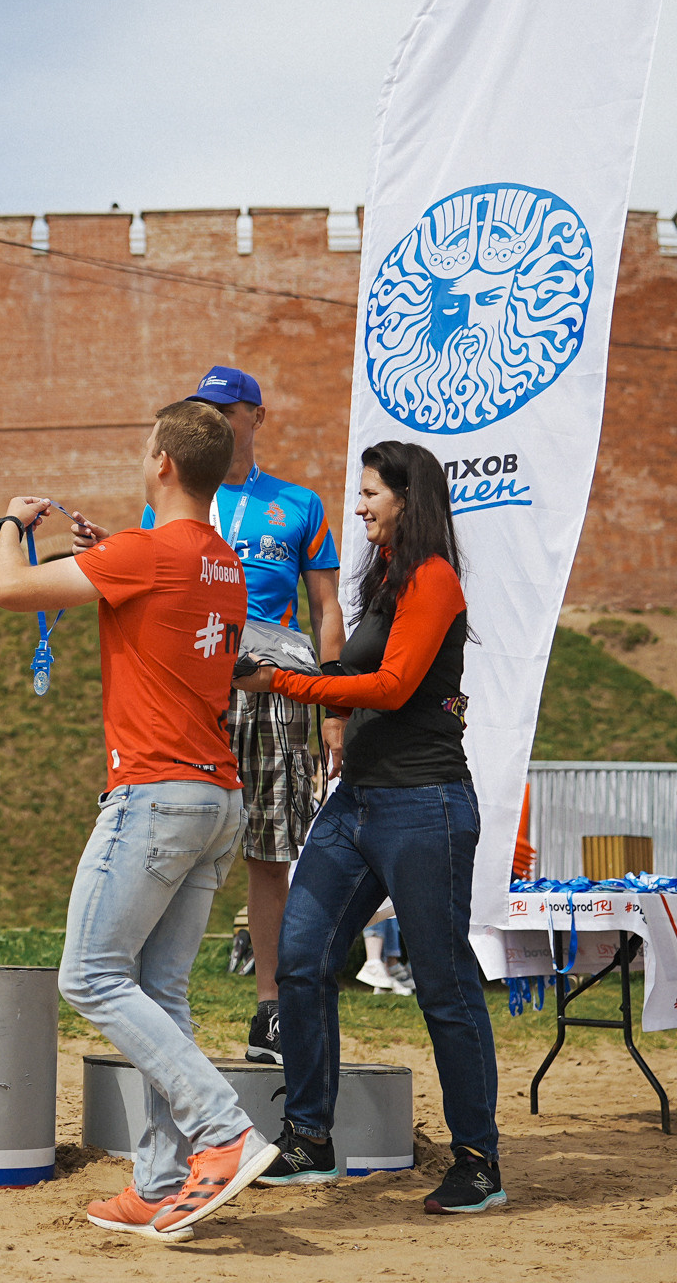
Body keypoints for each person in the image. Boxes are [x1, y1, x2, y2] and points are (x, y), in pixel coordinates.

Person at [0, 400, 276, 1242]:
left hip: (154, 795)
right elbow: (165, 609)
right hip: (216, 796)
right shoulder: (222, 562)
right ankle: (157, 1183)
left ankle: (223, 1133)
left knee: (91, 978)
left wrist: (11, 521)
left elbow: (10, 586)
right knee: (160, 992)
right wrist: (103, 555)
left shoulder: (144, 553)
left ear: (161, 463)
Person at [240, 440, 504, 1215]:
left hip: (425, 807)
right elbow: (358, 685)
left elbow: (389, 687)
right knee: (300, 959)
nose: (358, 507)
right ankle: (310, 1137)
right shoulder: (386, 580)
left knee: (445, 985)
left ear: (407, 498)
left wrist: (281, 682)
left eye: (369, 494)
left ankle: (479, 1160)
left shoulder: (434, 579)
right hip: (355, 804)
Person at [68, 366, 343, 1063]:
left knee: (270, 847)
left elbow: (327, 606)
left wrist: (336, 704)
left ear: (258, 416)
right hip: (193, 677)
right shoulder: (178, 499)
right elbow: (148, 572)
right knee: (179, 827)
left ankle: (271, 1008)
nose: (217, 418)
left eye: (229, 408)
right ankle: (157, 993)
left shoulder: (297, 503)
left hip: (274, 681)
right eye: (204, 408)